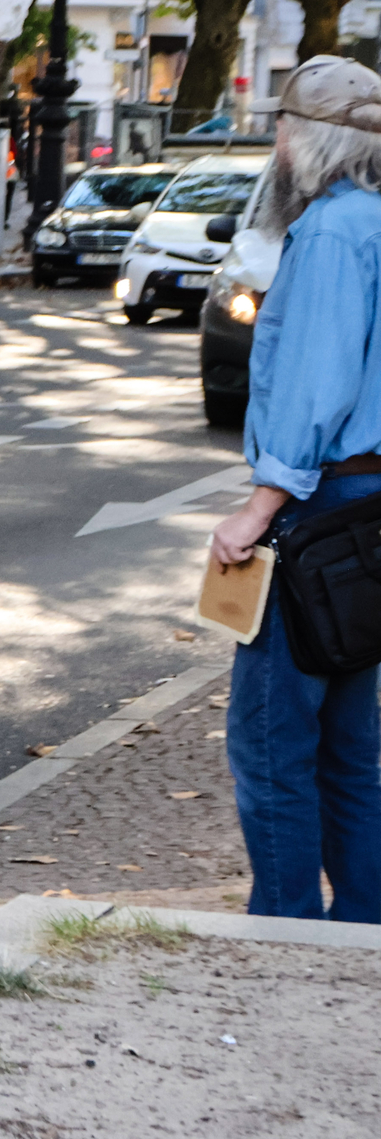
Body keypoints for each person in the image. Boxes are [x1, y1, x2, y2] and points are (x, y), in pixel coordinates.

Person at [208, 54, 381, 922]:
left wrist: (259, 509)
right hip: (370, 511)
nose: (274, 142)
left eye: (281, 126)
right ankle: (363, 923)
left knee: (273, 739)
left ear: (310, 140)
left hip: (318, 513)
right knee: (351, 741)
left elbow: (317, 383)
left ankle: (285, 930)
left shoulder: (333, 232)